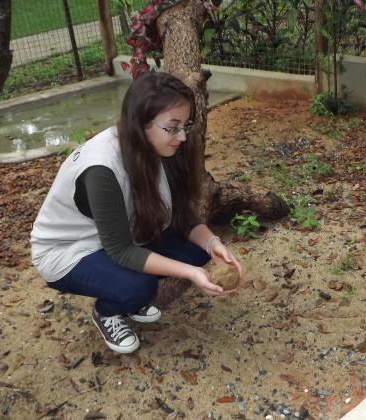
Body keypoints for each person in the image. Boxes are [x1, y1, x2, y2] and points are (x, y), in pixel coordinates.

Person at [30, 72, 243, 354]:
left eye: (185, 125)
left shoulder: (161, 147)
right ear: (141, 124)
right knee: (138, 287)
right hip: (69, 250)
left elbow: (182, 215)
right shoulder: (101, 169)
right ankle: (108, 311)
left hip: (120, 234)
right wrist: (192, 274)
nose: (181, 136)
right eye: (172, 127)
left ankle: (125, 293)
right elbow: (121, 252)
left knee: (197, 250)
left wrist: (214, 244)